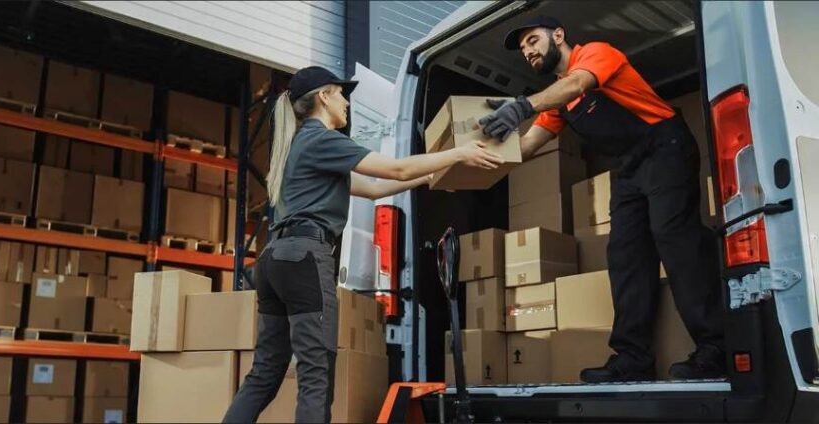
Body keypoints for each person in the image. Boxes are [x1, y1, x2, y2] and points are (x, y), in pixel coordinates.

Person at [223, 66, 502, 423]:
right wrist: (458, 154)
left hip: (275, 259)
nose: (346, 103)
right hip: (305, 258)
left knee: (264, 372)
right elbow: (396, 169)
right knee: (316, 373)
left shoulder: (301, 145)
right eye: (341, 94)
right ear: (324, 96)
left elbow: (372, 188)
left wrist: (427, 177)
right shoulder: (322, 139)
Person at [479, 16, 725, 383]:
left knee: (674, 236)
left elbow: (578, 83)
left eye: (532, 40)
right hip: (629, 167)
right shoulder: (558, 100)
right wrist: (472, 161)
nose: (527, 51)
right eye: (523, 49)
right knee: (625, 254)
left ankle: (715, 348)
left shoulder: (594, 55)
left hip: (665, 147)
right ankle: (633, 359)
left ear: (558, 35)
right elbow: (527, 146)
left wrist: (522, 106)